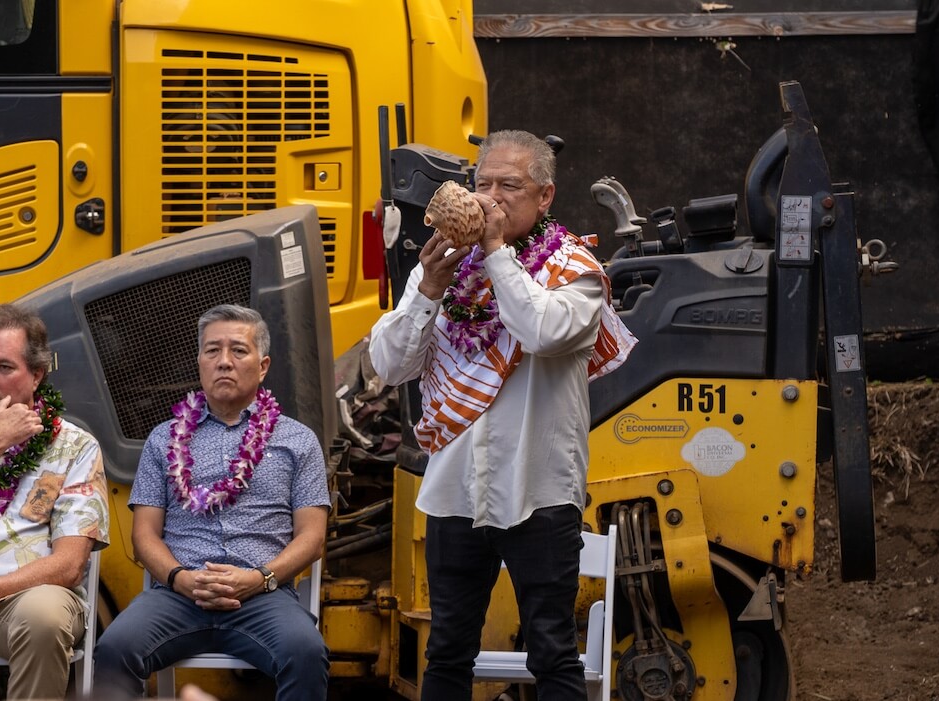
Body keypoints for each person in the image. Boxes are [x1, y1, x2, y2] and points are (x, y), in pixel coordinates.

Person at [369, 130, 637, 700]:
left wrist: (494, 252)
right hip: (453, 494)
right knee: (445, 654)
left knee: (552, 652)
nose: (491, 198)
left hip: (538, 492)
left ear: (544, 197)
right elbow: (389, 365)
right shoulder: (441, 268)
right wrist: (427, 292)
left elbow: (540, 329)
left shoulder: (575, 269)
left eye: (509, 186)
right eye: (482, 184)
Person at [93, 304, 330, 700]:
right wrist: (179, 579)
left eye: (238, 350)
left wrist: (260, 578)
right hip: (178, 595)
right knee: (115, 648)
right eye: (212, 351)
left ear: (264, 365)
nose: (224, 362)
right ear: (199, 362)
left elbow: (312, 536)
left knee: (306, 652)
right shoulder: (163, 438)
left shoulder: (298, 440)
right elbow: (144, 535)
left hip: (264, 596)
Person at [0, 303, 109, 699]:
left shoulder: (75, 447)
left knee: (43, 616)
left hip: (26, 598)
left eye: (3, 368)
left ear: (37, 375)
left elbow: (68, 566)